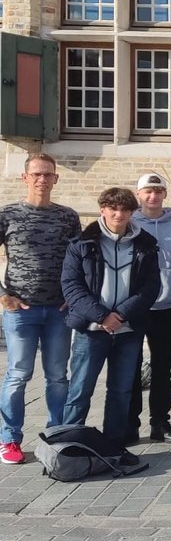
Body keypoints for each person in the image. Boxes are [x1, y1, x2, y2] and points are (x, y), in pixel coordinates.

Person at [61, 187, 160, 465]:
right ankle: (68, 448)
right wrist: (102, 316)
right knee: (80, 390)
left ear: (132, 213)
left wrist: (121, 315)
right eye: (113, 209)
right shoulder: (82, 243)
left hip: (127, 331)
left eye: (125, 210)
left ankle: (114, 448)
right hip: (91, 331)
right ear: (102, 209)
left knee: (121, 392)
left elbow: (151, 287)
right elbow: (71, 286)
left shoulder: (146, 244)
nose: (119, 215)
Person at [0, 154, 81, 465]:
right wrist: (3, 295)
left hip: (59, 311)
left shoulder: (67, 217)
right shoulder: (7, 215)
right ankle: (10, 439)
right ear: (25, 178)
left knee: (58, 376)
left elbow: (79, 261)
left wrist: (73, 295)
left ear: (56, 179)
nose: (42, 179)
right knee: (18, 375)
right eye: (36, 174)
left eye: (48, 174)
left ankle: (56, 433)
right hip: (21, 311)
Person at [129, 173, 171, 445]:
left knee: (162, 368)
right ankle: (129, 423)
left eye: (158, 191)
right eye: (148, 191)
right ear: (139, 194)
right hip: (134, 307)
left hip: (167, 307)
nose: (153, 196)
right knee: (130, 367)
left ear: (164, 194)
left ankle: (160, 422)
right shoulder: (129, 224)